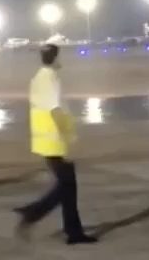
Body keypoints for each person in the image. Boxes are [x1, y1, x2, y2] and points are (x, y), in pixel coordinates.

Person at [14, 44, 96, 245]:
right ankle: (34, 213)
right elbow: (55, 110)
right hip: (54, 139)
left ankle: (72, 231)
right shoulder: (50, 78)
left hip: (45, 139)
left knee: (67, 186)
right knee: (67, 186)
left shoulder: (39, 76)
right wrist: (68, 137)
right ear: (55, 57)